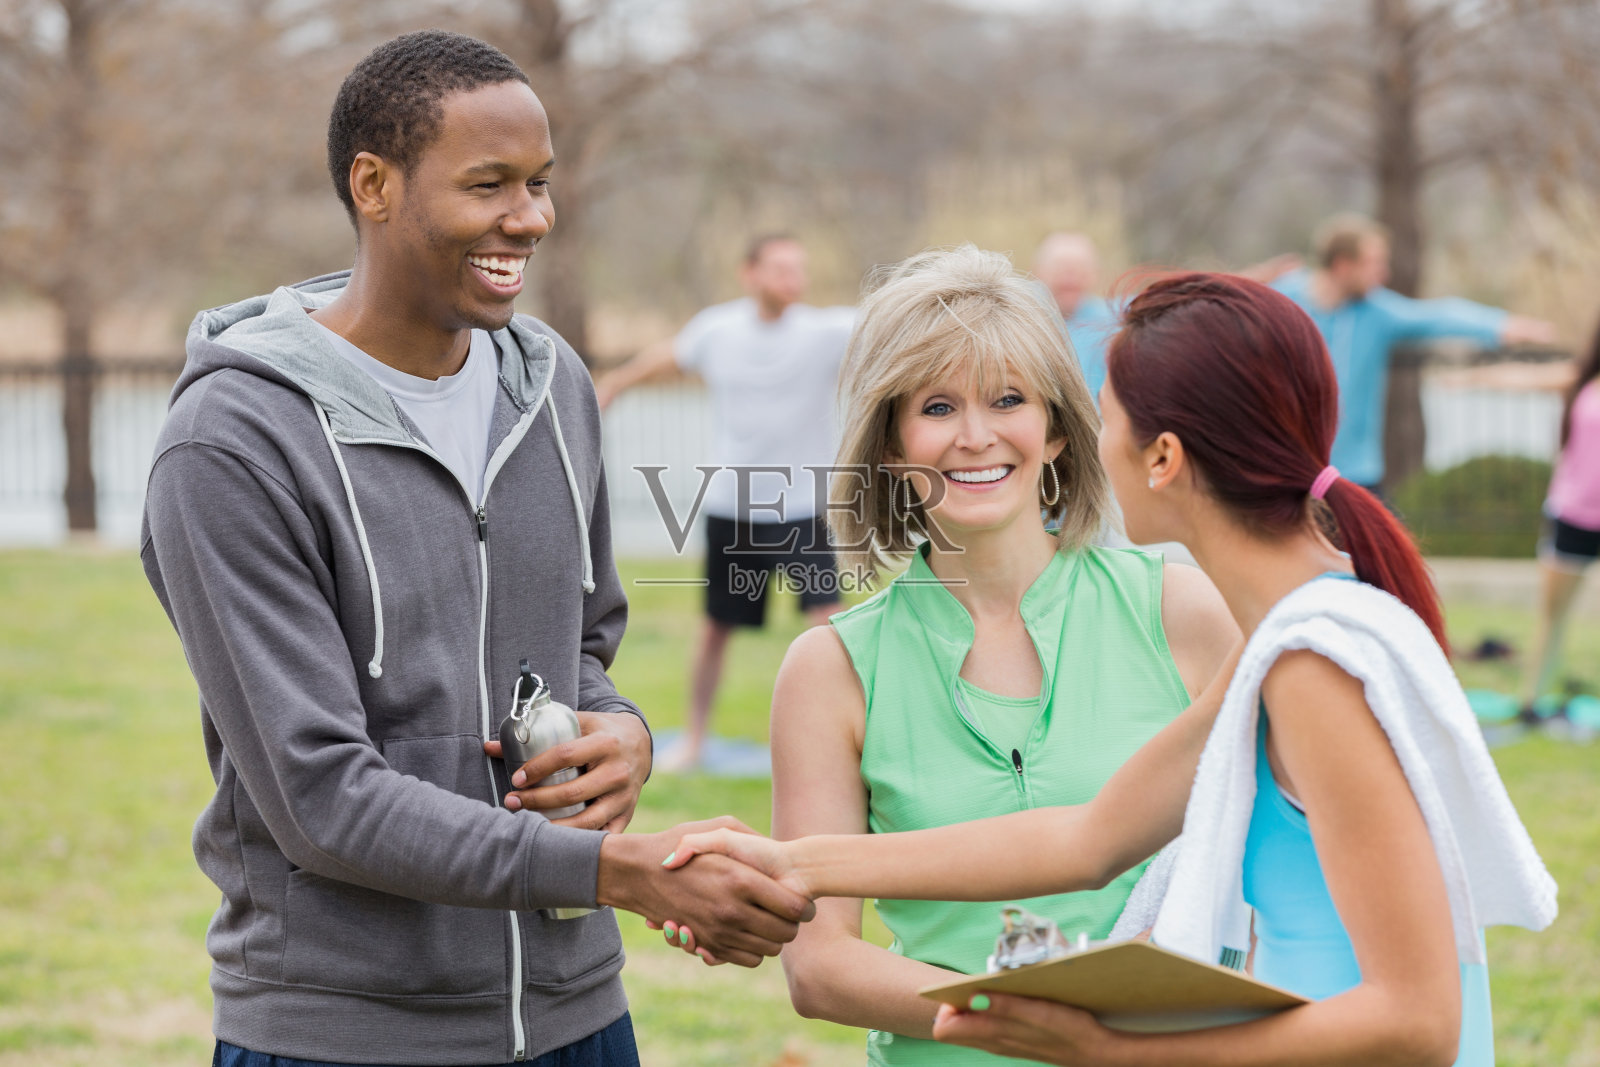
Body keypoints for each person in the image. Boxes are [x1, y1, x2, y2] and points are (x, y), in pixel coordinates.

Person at [660, 272, 1557, 1066]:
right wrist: (787, 860)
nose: (981, 435)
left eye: (1101, 414)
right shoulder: (1282, 645)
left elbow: (1419, 1023)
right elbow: (1085, 842)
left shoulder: (1309, 656)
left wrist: (1112, 1046)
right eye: (936, 407)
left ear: (1153, 454)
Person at [140, 31, 810, 1067]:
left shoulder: (554, 389)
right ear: (374, 183)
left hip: (578, 1015)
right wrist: (620, 871)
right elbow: (318, 796)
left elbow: (584, 642)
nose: (530, 218)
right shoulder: (233, 441)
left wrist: (621, 731)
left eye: (539, 183)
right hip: (344, 1034)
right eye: (489, 184)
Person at [657, 246, 1240, 1064]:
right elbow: (821, 966)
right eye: (936, 406)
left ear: (1057, 431)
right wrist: (1031, 1019)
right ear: (891, 445)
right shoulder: (830, 669)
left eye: (1007, 398)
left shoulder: (1179, 609)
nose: (975, 436)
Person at [594, 235, 854, 771]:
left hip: (806, 509)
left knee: (829, 626)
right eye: (781, 269)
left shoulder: (825, 332)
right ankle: (693, 739)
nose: (793, 280)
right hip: (733, 510)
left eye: (799, 270)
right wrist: (615, 383)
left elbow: (895, 327)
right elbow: (665, 357)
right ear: (750, 274)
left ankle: (839, 744)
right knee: (715, 630)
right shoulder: (719, 330)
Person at [1273, 213, 1557, 494]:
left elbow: (1439, 315)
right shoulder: (1282, 301)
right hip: (1290, 470)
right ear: (1343, 265)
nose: (1384, 274)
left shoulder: (1377, 312)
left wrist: (1500, 325)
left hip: (1355, 475)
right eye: (1374, 264)